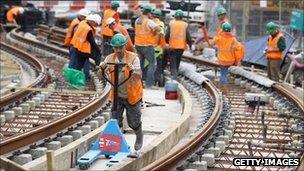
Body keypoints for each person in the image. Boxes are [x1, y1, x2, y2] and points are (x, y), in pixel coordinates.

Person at [99, 34, 144, 151]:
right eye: (116, 47)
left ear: (125, 46)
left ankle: (139, 136)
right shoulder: (109, 59)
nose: (118, 50)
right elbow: (101, 76)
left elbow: (139, 76)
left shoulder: (133, 58)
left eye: (121, 47)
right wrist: (102, 69)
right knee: (115, 120)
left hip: (132, 95)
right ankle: (115, 145)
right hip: (117, 94)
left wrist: (133, 70)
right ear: (113, 47)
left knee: (133, 122)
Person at [134, 4, 161, 88]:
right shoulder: (149, 21)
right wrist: (155, 31)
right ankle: (149, 84)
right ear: (149, 13)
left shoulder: (137, 20)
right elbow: (158, 29)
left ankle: (139, 84)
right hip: (147, 46)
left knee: (140, 65)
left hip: (138, 45)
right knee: (152, 64)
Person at [70, 14, 101, 79]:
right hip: (83, 49)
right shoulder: (88, 29)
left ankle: (75, 79)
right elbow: (92, 42)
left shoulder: (82, 23)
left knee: (77, 65)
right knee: (80, 65)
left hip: (77, 46)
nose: (96, 26)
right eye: (96, 24)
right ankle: (98, 67)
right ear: (93, 21)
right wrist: (98, 50)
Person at [64, 8, 91, 80]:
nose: (87, 19)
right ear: (82, 16)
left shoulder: (76, 21)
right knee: (79, 62)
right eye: (86, 17)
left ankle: (72, 77)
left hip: (74, 45)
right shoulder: (78, 24)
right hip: (77, 46)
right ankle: (84, 77)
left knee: (74, 62)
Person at [165, 9, 192, 80]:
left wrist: (167, 42)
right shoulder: (185, 25)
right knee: (177, 62)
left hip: (172, 46)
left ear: (175, 17)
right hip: (181, 47)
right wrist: (190, 45)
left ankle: (173, 78)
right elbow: (188, 37)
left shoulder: (171, 23)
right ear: (182, 17)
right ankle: (174, 77)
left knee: (173, 63)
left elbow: (167, 35)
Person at [151, 9, 166, 86]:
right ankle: (156, 80)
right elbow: (162, 36)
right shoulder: (161, 24)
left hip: (149, 46)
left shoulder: (149, 22)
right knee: (158, 65)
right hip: (158, 48)